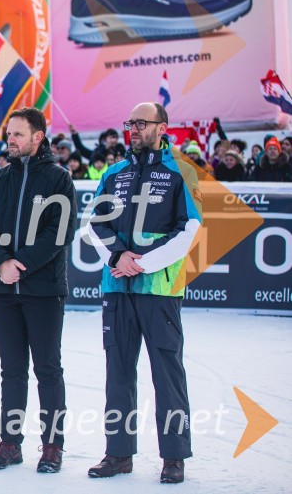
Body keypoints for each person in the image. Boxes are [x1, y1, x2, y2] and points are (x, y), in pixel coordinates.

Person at [86, 102, 201, 484]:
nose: (133, 128)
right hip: (117, 287)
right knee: (117, 372)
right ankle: (118, 453)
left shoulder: (181, 171)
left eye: (141, 122)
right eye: (130, 123)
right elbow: (95, 222)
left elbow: (189, 230)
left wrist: (143, 262)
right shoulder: (113, 172)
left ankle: (174, 456)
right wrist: (119, 256)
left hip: (159, 289)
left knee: (167, 373)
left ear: (162, 128)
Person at [0, 107, 76, 473]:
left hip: (44, 290)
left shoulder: (59, 179)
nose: (10, 140)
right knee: (12, 369)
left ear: (38, 137)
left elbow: (60, 232)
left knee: (48, 369)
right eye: (9, 134)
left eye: (18, 134)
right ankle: (10, 442)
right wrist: (1, 262)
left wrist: (23, 264)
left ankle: (52, 445)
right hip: (3, 290)